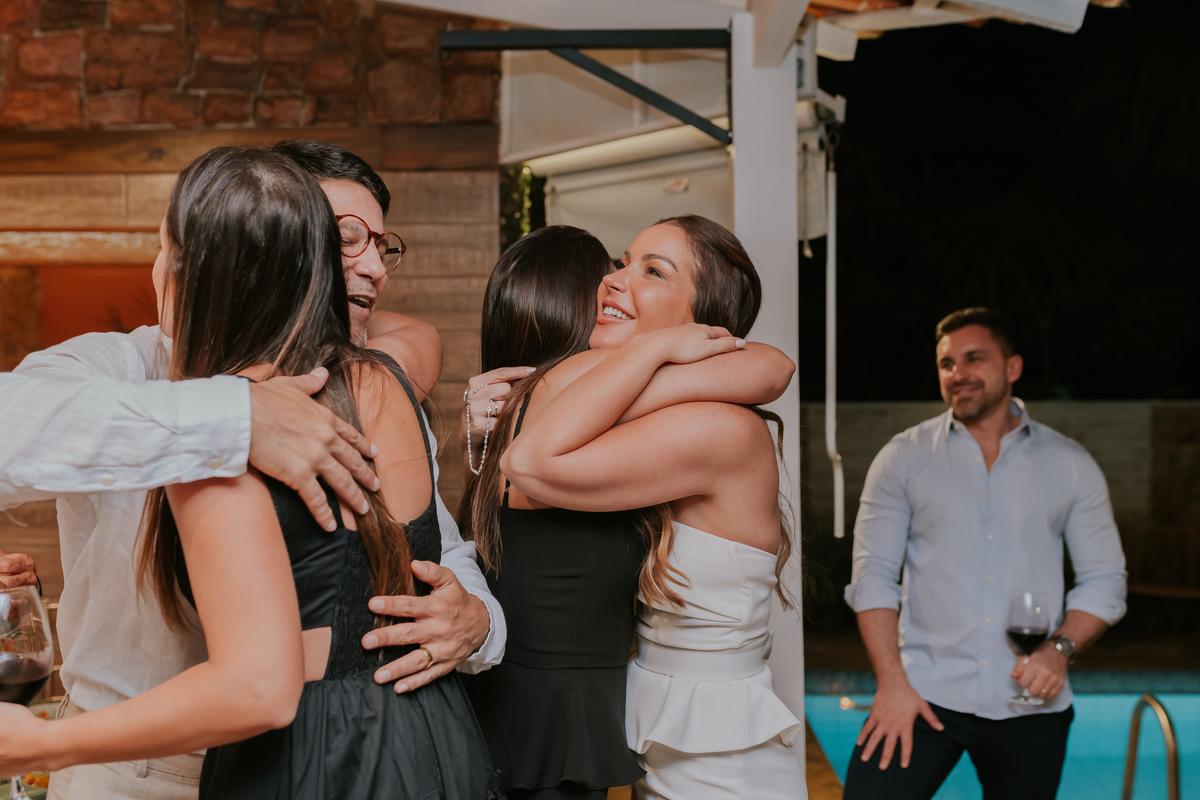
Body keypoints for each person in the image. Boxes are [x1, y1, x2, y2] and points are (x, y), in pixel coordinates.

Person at [0, 140, 503, 799]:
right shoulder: (153, 383)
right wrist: (232, 415)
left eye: (383, 246)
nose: (373, 268)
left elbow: (417, 554)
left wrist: (478, 621)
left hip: (290, 758)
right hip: (152, 773)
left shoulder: (368, 389)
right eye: (346, 239)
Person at [458, 223, 796, 800]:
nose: (611, 281)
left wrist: (650, 350)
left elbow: (532, 462)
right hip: (661, 733)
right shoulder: (655, 414)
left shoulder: (717, 429)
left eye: (653, 270)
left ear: (704, 320)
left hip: (718, 753)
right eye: (623, 262)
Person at [840, 308, 1127, 800]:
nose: (958, 374)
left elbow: (1105, 579)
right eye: (947, 364)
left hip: (1031, 703)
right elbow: (873, 576)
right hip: (922, 694)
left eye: (974, 358)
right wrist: (891, 683)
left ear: (1012, 367)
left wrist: (1059, 651)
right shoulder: (903, 457)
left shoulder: (1071, 464)